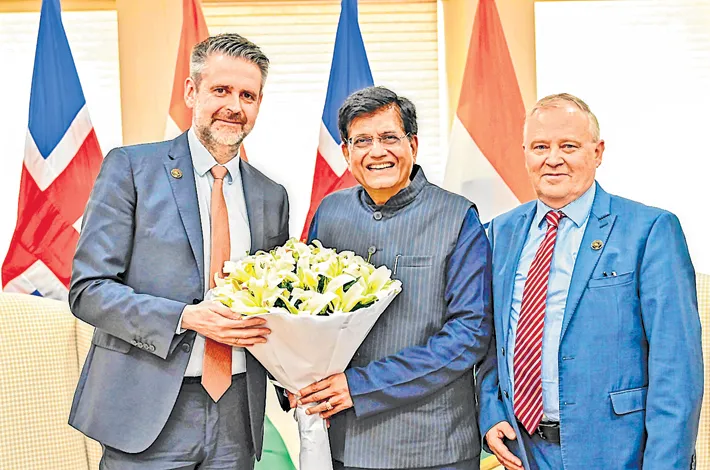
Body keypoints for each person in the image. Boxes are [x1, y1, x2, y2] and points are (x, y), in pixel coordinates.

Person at [68, 33, 289, 468]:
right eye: (221, 90)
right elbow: (88, 290)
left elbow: (276, 303)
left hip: (237, 413)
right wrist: (185, 317)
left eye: (247, 95)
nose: (234, 106)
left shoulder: (272, 195)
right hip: (147, 409)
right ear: (191, 92)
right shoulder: (131, 168)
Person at [478, 93, 703, 470]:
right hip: (526, 452)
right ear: (525, 153)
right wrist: (490, 411)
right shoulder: (499, 233)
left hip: (619, 452)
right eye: (540, 147)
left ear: (597, 152)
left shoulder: (650, 231)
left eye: (568, 146)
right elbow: (488, 342)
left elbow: (676, 370)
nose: (553, 158)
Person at [294, 86, 493, 470]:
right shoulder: (329, 213)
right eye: (362, 141)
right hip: (343, 442)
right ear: (346, 152)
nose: (377, 152)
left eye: (389, 137)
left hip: (434, 447)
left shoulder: (457, 217)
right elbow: (303, 312)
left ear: (412, 145)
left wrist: (361, 386)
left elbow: (469, 336)